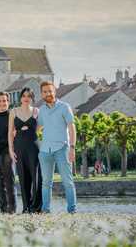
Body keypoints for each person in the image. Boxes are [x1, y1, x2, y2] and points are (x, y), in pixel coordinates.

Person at [37, 81, 77, 214]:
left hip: (62, 148)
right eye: (45, 91)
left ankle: (72, 210)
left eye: (50, 91)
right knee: (46, 183)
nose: (48, 93)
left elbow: (72, 128)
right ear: (42, 94)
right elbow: (37, 128)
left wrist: (72, 148)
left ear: (55, 91)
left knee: (67, 181)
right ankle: (45, 210)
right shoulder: (41, 110)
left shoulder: (65, 107)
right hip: (45, 151)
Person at [8, 87, 42, 214]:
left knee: (36, 177)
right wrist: (11, 150)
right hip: (19, 147)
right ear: (20, 98)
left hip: (34, 146)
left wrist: (30, 130)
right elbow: (10, 133)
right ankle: (26, 207)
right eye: (24, 96)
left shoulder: (37, 111)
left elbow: (39, 128)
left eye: (29, 96)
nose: (26, 98)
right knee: (22, 177)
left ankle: (36, 207)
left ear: (32, 98)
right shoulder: (14, 111)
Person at [0, 92, 17, 214]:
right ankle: (3, 210)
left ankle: (12, 210)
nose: (2, 103)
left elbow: (16, 136)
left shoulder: (13, 117)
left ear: (8, 102)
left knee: (9, 184)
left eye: (4, 101)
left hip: (8, 153)